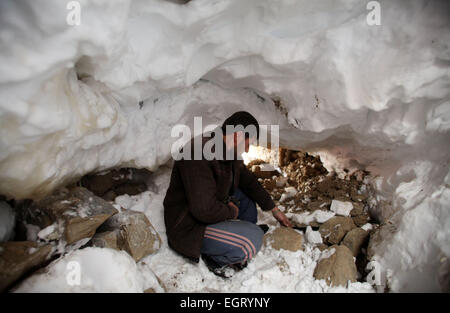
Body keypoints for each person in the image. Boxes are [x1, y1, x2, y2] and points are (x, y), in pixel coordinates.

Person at [163, 111, 292, 277]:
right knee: (251, 241)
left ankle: (232, 233)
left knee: (247, 202)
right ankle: (216, 259)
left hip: (211, 205)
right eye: (248, 143)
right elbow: (203, 210)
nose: (247, 149)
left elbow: (249, 182)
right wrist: (231, 211)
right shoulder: (197, 152)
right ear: (237, 135)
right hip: (190, 225)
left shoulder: (228, 150)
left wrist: (274, 209)